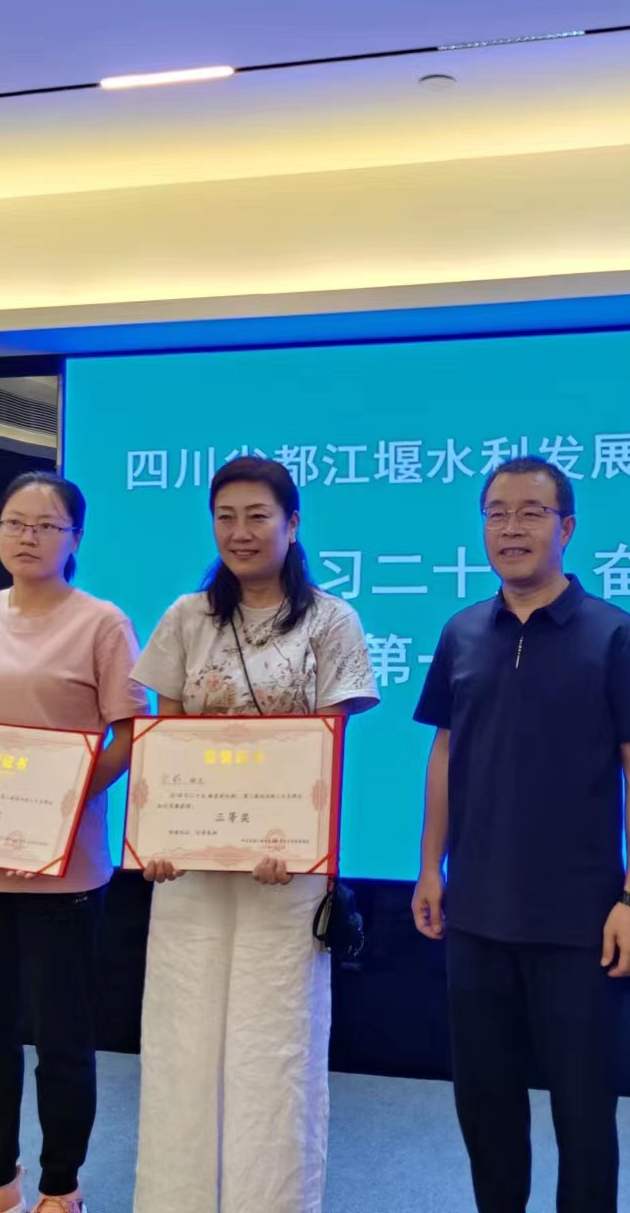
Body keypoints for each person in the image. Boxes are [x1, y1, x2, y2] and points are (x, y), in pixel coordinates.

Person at [411, 456, 630, 1213]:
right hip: (476, 913)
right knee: (485, 1105)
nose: (510, 528)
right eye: (496, 512)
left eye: (530, 512)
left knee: (583, 1113)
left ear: (567, 527)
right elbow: (445, 752)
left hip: (579, 918)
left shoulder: (619, 635)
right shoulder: (462, 631)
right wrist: (429, 867)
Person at [130, 455, 379, 1213]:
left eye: (258, 515)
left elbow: (326, 750)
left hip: (285, 866)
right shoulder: (186, 617)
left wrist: (294, 841)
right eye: (226, 516)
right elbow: (168, 743)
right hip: (193, 868)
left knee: (276, 1048)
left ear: (292, 524)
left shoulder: (331, 621)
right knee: (182, 1039)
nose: (240, 531)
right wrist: (160, 836)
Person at [0, 470, 150, 1213]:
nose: (27, 537)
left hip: (63, 869)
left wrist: (62, 809)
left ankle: (60, 1187)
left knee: (63, 1038)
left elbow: (130, 734)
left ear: (76, 539)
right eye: (14, 522)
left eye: (46, 525)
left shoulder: (101, 622)